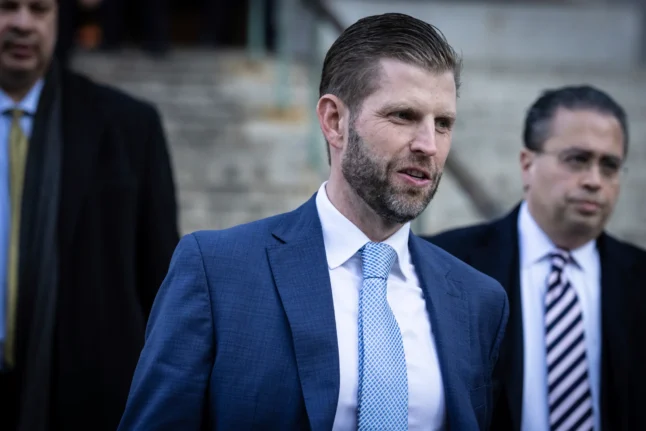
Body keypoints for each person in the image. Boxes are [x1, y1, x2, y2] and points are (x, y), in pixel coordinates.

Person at [118, 12, 509, 431]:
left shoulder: (478, 300)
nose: (429, 145)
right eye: (403, 116)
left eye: (443, 123)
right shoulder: (217, 271)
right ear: (334, 121)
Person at [0, 1, 180, 430]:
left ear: (57, 19)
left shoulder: (128, 127)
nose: (23, 24)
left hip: (84, 396)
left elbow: (161, 280)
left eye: (39, 9)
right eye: (7, 7)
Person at [426, 85, 646, 430]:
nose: (594, 180)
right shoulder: (446, 265)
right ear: (527, 164)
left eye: (610, 166)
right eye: (577, 159)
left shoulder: (639, 279)